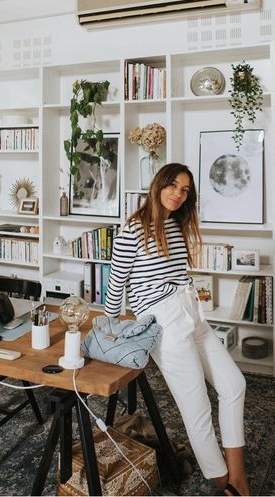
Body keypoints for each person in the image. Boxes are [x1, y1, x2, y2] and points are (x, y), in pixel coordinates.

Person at [104, 163, 249, 496]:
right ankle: (224, 481)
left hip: (191, 310)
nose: (178, 194)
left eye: (185, 190)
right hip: (164, 320)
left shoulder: (175, 224)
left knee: (234, 385)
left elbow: (177, 273)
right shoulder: (131, 229)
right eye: (173, 185)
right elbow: (117, 282)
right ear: (158, 185)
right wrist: (109, 329)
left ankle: (237, 474)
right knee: (197, 407)